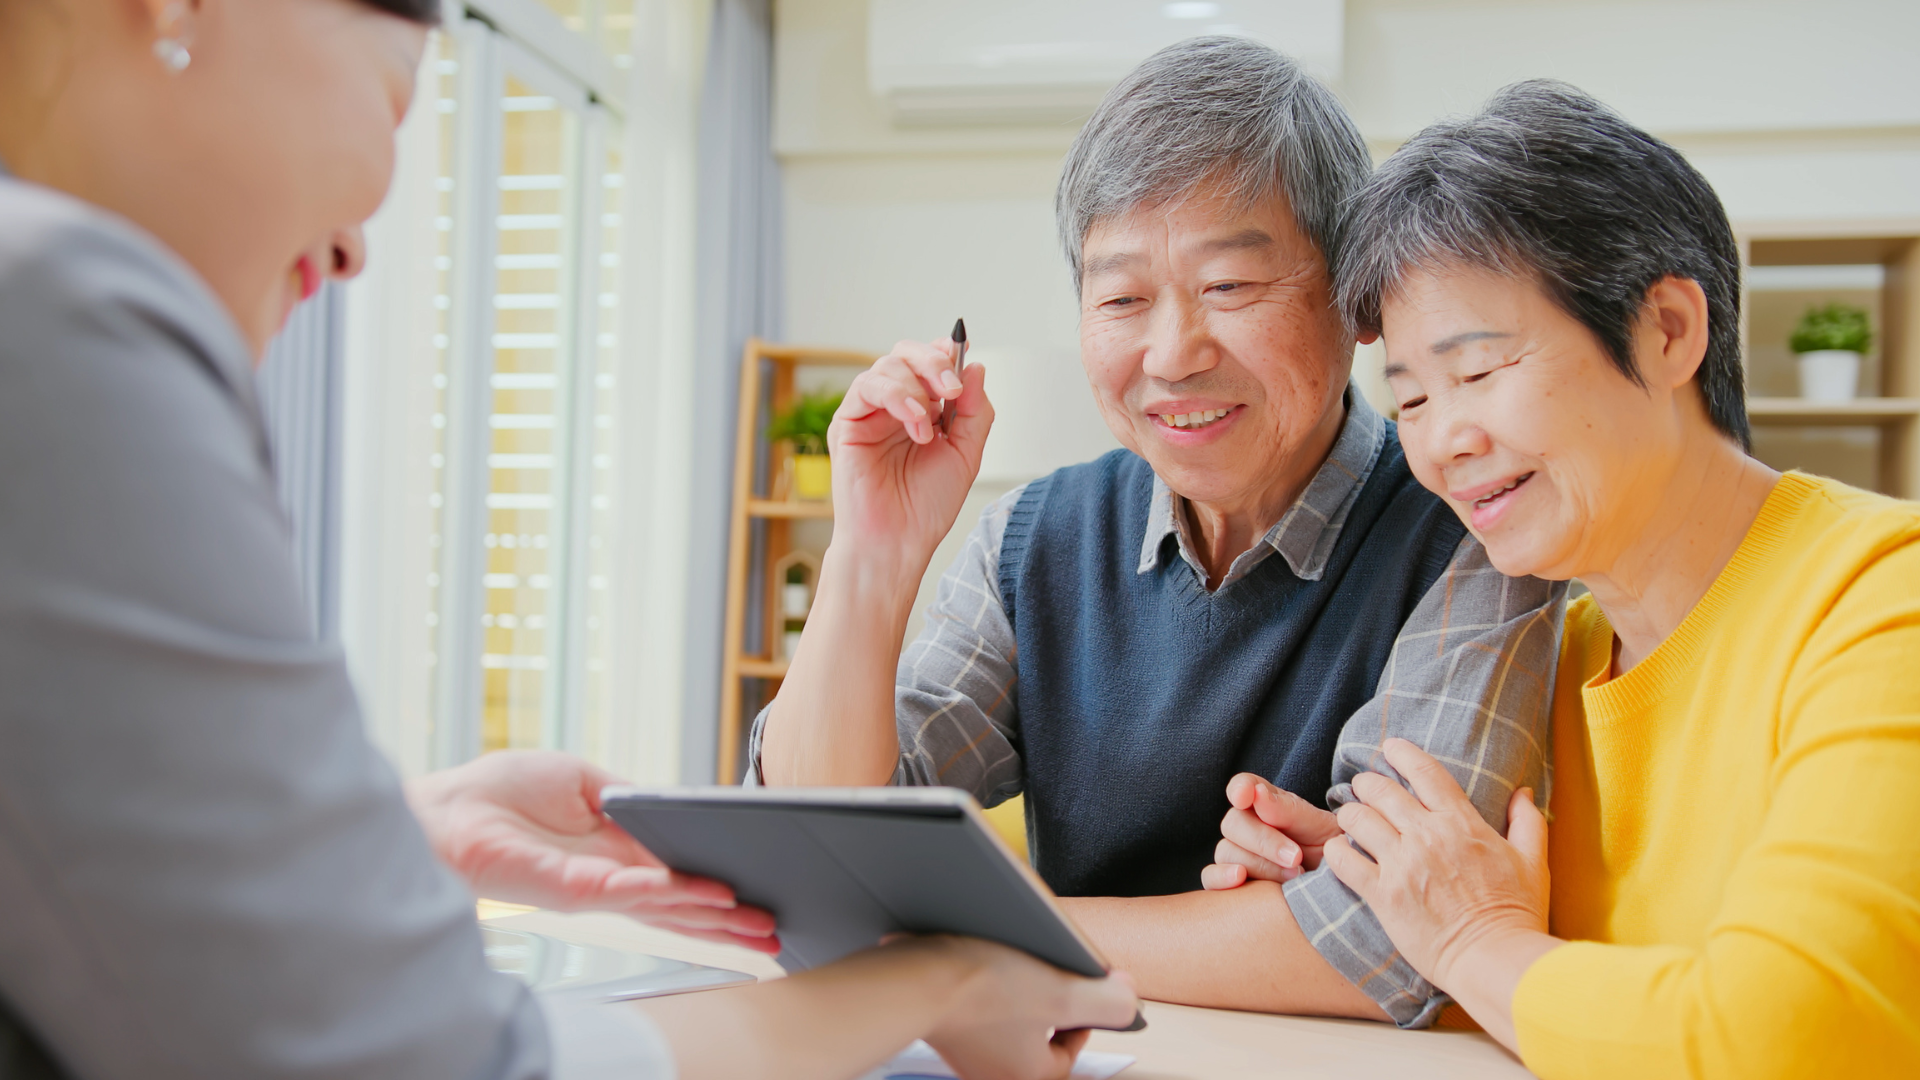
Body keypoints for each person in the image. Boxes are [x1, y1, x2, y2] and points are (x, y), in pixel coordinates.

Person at [0, 0, 1137, 1077]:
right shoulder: (63, 316)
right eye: (398, 104)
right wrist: (933, 984)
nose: (354, 250)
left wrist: (392, 835)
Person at [756, 35, 1565, 1027]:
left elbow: (1390, 941)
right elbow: (823, 839)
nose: (1173, 353)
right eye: (1123, 299)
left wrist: (990, 928)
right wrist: (869, 556)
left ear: (1356, 297)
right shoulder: (1037, 539)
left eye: (1229, 287)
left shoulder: (1470, 530)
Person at [1210, 80, 1920, 1076]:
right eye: (1410, 398)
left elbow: (1780, 1038)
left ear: (1667, 330)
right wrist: (1392, 888)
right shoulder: (1557, 651)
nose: (1442, 442)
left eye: (1480, 371)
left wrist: (1473, 942)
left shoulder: (1884, 601)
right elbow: (1561, 1016)